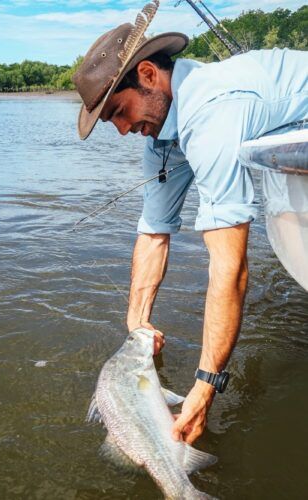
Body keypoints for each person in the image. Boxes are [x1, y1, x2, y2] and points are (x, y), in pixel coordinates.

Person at [72, 1, 308, 444]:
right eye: (110, 122)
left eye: (119, 112)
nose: (122, 130)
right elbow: (153, 232)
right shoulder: (161, 131)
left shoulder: (209, 114)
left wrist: (205, 385)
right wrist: (137, 326)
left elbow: (230, 265)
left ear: (147, 75)